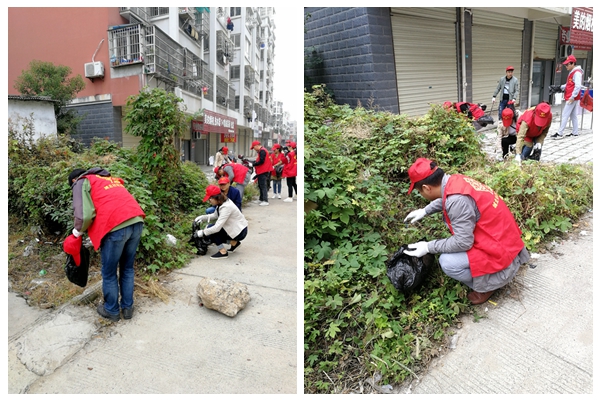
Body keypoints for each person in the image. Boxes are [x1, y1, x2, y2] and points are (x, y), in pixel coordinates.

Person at [403, 158, 530, 305]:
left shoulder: (457, 201)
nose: (421, 194)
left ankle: (488, 286)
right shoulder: (455, 180)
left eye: (419, 191)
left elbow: (463, 242)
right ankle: (490, 277)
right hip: (502, 236)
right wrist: (425, 210)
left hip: (498, 247)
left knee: (447, 262)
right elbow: (446, 198)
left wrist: (428, 247)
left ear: (426, 188)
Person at [68, 167, 146, 321]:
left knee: (109, 273)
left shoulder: (81, 182)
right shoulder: (108, 179)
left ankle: (112, 310)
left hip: (115, 227)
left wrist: (76, 233)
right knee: (127, 268)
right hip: (136, 220)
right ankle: (128, 308)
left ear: (73, 181)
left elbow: (85, 214)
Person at [194, 185, 248, 259]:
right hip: (236, 228)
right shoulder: (222, 203)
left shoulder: (226, 207)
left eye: (210, 198)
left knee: (212, 231)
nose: (209, 200)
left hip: (240, 231)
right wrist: (203, 218)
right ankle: (234, 243)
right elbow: (215, 215)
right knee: (210, 230)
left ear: (216, 197)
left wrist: (202, 232)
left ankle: (223, 252)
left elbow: (216, 228)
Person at [551, 55, 584, 140]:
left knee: (565, 114)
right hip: (572, 97)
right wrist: (559, 87)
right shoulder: (573, 72)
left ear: (572, 63)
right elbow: (569, 84)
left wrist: (572, 97)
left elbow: (578, 86)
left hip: (571, 98)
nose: (566, 66)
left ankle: (560, 133)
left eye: (567, 64)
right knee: (573, 115)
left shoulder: (576, 73)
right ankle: (575, 132)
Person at [250, 140, 273, 206]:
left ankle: (265, 200)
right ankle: (261, 199)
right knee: (260, 185)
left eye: (254, 148)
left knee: (263, 185)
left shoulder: (262, 151)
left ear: (257, 146)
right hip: (261, 171)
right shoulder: (261, 151)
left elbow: (261, 161)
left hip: (263, 171)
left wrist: (253, 165)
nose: (254, 149)